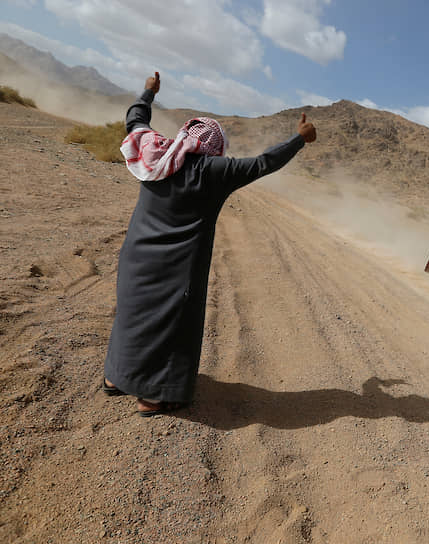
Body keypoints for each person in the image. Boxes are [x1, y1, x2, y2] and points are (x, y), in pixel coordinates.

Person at [103, 72, 316, 416]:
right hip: (177, 269)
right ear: (214, 147)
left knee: (132, 314)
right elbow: (264, 163)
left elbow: (135, 118)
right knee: (170, 326)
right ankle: (154, 396)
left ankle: (115, 378)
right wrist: (299, 139)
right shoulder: (212, 171)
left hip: (135, 257)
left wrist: (148, 92)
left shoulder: (154, 151)